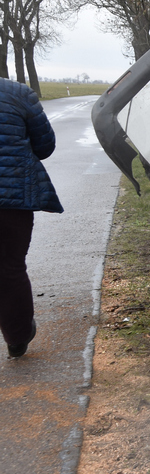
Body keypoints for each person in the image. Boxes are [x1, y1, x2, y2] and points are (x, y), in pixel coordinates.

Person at [0, 78, 63, 358]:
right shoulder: (18, 94)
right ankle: (17, 337)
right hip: (12, 199)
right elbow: (45, 146)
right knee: (10, 268)